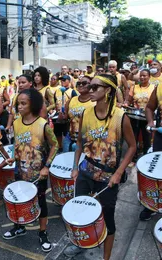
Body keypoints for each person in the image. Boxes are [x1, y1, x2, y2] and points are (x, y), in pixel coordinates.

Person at [64, 74, 136, 259]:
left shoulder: (121, 117)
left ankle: (106, 257)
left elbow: (133, 146)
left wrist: (119, 173)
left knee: (107, 218)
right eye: (90, 86)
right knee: (79, 211)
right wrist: (75, 167)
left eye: (95, 87)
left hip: (107, 178)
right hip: (85, 171)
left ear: (108, 90)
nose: (90, 90)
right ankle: (81, 243)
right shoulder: (86, 113)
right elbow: (79, 143)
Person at [2, 88, 58, 253]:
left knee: (40, 203)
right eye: (18, 103)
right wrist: (13, 156)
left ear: (32, 105)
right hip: (20, 171)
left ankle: (43, 233)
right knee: (18, 200)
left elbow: (55, 145)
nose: (19, 106)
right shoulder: (16, 123)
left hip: (38, 174)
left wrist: (47, 166)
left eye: (23, 103)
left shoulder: (43, 124)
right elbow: (18, 144)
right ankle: (19, 227)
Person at [137, 70, 162, 221]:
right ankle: (152, 205)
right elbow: (149, 107)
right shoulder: (159, 87)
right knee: (157, 171)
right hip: (160, 136)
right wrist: (151, 121)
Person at [127, 69, 154, 165]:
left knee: (147, 139)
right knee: (133, 138)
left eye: (145, 75)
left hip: (148, 118)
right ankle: (133, 159)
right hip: (135, 117)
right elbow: (128, 100)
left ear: (149, 76)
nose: (142, 77)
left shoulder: (154, 88)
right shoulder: (134, 87)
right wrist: (125, 104)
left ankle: (146, 159)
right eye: (141, 76)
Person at [63, 76, 94, 152]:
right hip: (70, 139)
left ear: (91, 86)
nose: (80, 85)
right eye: (79, 83)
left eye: (84, 83)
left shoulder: (95, 102)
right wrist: (61, 117)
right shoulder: (71, 101)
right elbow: (65, 118)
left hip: (88, 141)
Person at [53, 75, 78, 152]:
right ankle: (59, 148)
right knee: (57, 133)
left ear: (69, 81)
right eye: (61, 80)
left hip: (67, 116)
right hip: (58, 115)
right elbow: (55, 102)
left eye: (64, 80)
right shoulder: (57, 91)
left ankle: (66, 149)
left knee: (66, 133)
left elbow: (75, 104)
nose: (62, 81)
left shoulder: (72, 91)